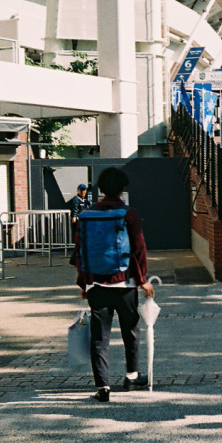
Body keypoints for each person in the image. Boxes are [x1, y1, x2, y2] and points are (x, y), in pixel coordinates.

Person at [76, 166, 155, 402]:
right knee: (130, 331)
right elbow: (139, 249)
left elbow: (79, 252)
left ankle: (103, 387)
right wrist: (142, 281)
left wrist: (83, 284)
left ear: (100, 189)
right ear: (122, 189)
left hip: (96, 285)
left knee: (99, 337)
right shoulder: (128, 214)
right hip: (124, 284)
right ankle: (131, 377)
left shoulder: (87, 215)